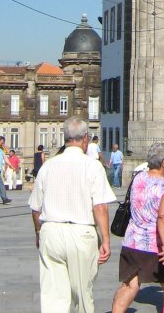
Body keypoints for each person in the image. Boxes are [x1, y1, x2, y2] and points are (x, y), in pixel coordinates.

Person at [30, 116, 115, 313]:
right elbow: (100, 207)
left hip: (50, 231)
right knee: (83, 296)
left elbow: (35, 208)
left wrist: (38, 233)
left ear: (65, 137)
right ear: (85, 139)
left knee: (53, 298)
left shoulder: (48, 166)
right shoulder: (93, 166)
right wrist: (106, 240)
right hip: (81, 234)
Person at [111, 142, 164, 313]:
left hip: (133, 241)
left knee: (130, 285)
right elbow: (163, 217)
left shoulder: (138, 177)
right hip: (154, 243)